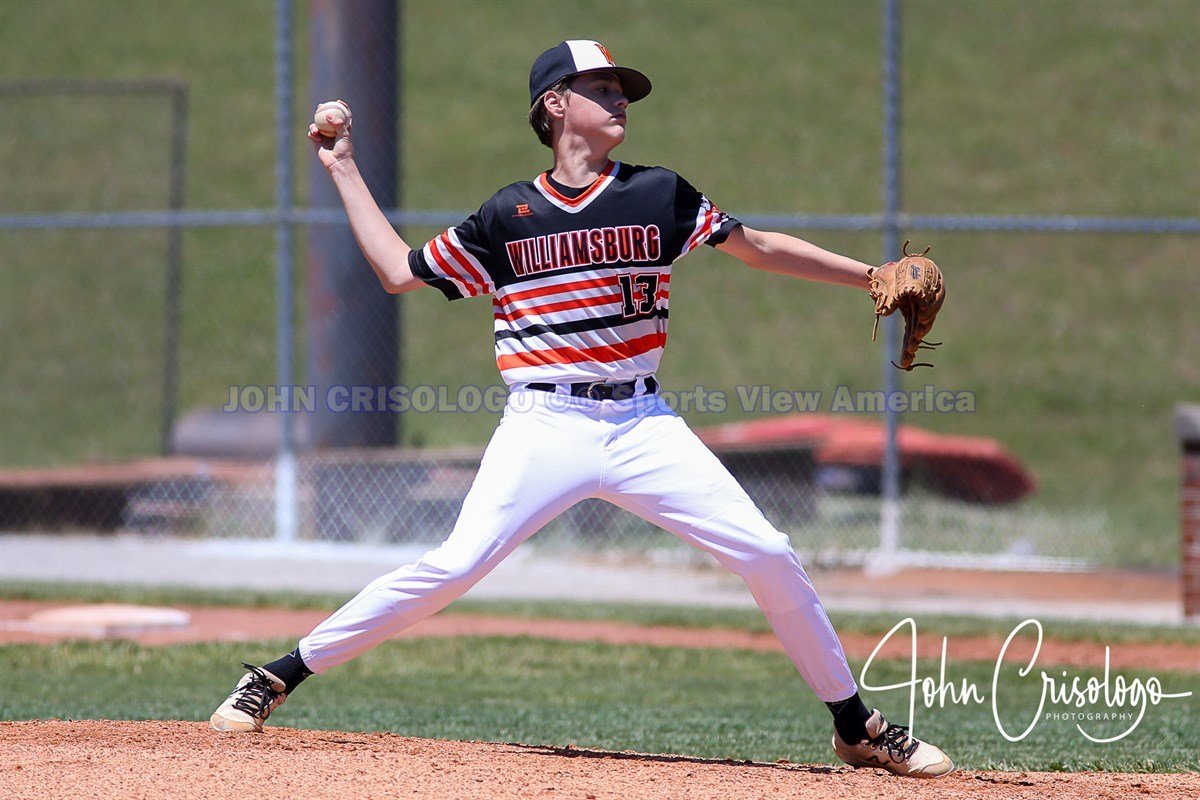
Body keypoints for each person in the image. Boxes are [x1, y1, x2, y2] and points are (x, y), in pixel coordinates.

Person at [210, 40, 954, 779]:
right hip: (545, 425)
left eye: (621, 88)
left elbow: (756, 246)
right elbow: (399, 272)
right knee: (455, 565)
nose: (620, 97)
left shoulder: (658, 194)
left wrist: (871, 276)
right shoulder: (508, 214)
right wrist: (342, 165)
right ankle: (277, 675)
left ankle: (855, 725)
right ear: (556, 103)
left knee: (767, 553)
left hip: (642, 425)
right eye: (601, 87)